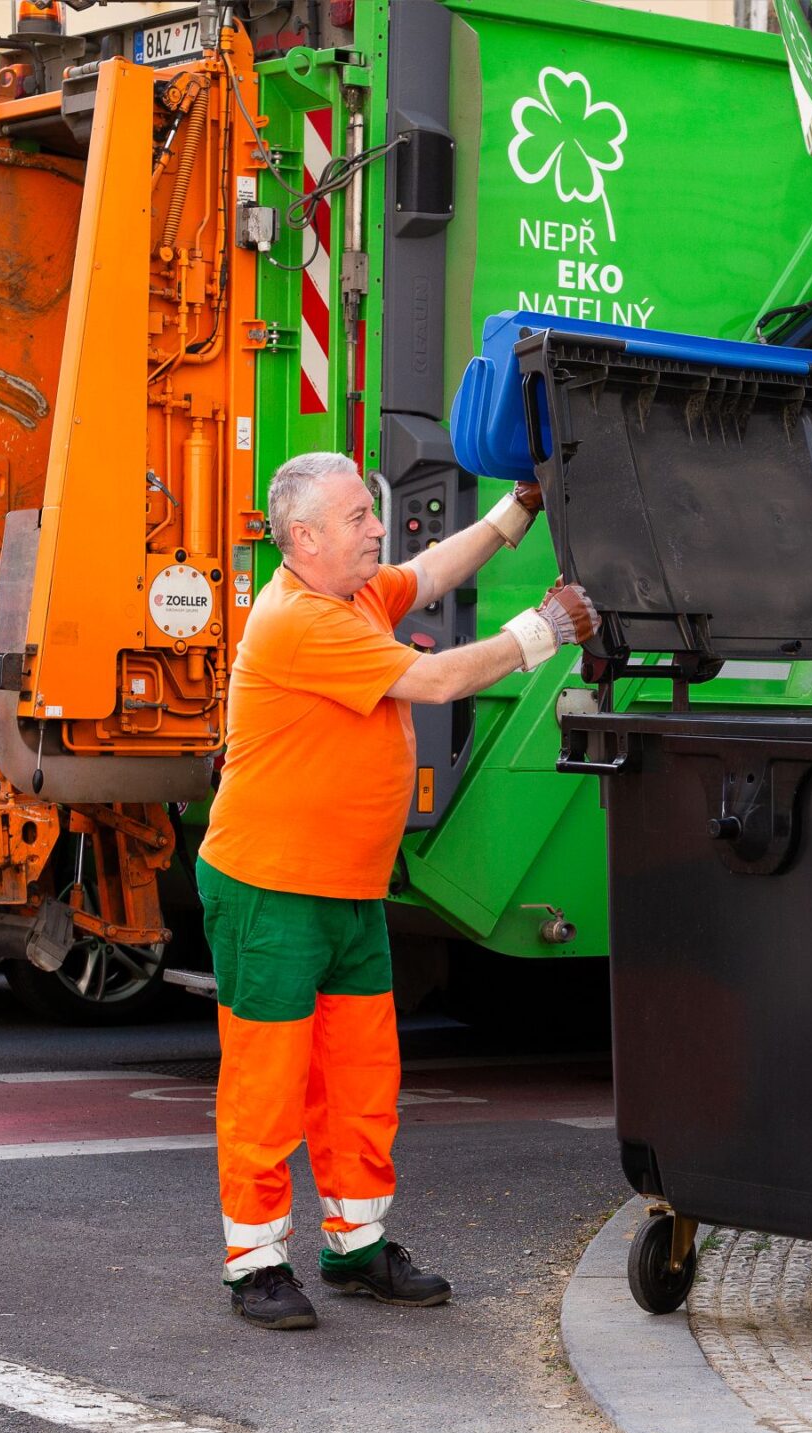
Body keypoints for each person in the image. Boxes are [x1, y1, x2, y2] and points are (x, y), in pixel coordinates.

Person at [198, 452, 597, 1330]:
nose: (378, 527)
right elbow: (440, 679)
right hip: (270, 887)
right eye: (357, 517)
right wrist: (545, 628)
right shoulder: (301, 619)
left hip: (344, 886)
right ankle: (256, 1262)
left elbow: (432, 571)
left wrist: (516, 510)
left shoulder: (353, 595)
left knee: (360, 1076)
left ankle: (356, 1245)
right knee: (268, 1083)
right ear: (304, 537)